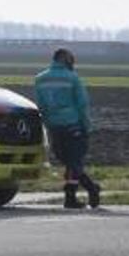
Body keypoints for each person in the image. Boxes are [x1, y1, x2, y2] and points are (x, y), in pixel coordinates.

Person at [34, 47, 101, 209]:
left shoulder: (40, 79)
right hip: (73, 124)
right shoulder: (72, 78)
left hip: (54, 126)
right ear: (65, 59)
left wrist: (47, 123)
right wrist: (86, 125)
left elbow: (41, 104)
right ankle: (88, 190)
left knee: (69, 162)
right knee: (74, 161)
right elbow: (82, 104)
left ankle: (79, 193)